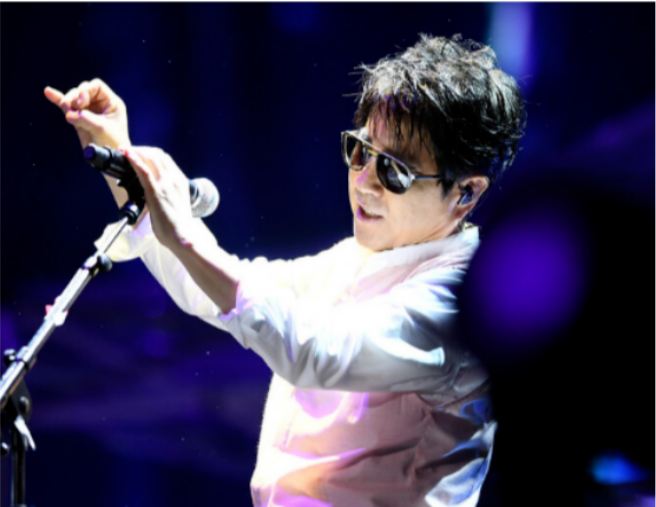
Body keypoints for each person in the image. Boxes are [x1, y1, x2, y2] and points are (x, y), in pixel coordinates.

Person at [45, 34, 525, 507]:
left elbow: (317, 350)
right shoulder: (358, 258)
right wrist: (122, 159)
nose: (364, 183)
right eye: (361, 151)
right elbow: (221, 289)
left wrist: (184, 235)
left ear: (466, 192)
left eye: (394, 171)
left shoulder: (464, 302)